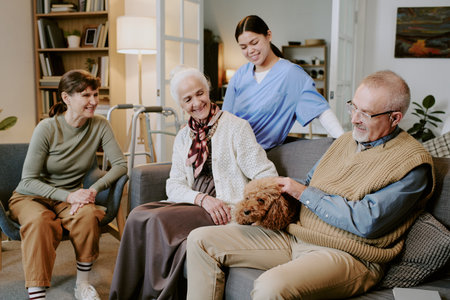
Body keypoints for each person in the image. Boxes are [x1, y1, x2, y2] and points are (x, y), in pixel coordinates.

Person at [186, 70, 435, 299]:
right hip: (297, 236)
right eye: (353, 108)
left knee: (270, 287)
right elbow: (309, 184)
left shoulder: (412, 163)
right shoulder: (344, 141)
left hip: (349, 255)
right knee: (199, 240)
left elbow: (366, 222)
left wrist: (304, 193)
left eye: (366, 114)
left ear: (395, 117)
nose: (354, 119)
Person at [109, 66, 277, 300]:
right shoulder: (183, 136)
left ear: (208, 91)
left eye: (200, 93)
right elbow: (174, 184)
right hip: (194, 202)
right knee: (138, 215)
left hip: (222, 208)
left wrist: (247, 209)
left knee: (156, 219)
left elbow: (265, 174)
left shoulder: (236, 127)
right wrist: (201, 199)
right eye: (188, 99)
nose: (197, 103)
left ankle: (153, 296)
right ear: (180, 104)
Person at [8, 69, 127, 300]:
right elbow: (28, 180)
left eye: (96, 94)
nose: (94, 101)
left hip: (71, 196)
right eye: (86, 95)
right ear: (66, 98)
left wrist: (93, 190)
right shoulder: (46, 128)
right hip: (30, 196)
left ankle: (82, 284)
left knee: (87, 215)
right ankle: (36, 292)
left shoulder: (100, 125)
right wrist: (69, 197)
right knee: (39, 221)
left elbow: (121, 165)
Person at [223, 15, 344, 150]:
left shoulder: (291, 74)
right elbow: (224, 119)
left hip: (261, 154)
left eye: (254, 42)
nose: (250, 50)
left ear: (268, 35)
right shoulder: (240, 75)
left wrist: (345, 142)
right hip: (231, 150)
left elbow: (321, 111)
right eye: (243, 47)